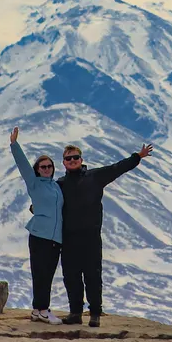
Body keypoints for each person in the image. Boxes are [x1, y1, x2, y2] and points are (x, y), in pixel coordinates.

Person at [58, 140, 153, 327]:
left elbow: (117, 168)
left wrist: (137, 157)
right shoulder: (60, 184)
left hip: (91, 238)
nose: (72, 160)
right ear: (64, 162)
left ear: (81, 159)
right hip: (69, 239)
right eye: (68, 158)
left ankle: (95, 314)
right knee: (71, 276)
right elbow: (48, 202)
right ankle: (75, 313)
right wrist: (35, 208)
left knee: (93, 276)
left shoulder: (95, 176)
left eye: (75, 157)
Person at [9, 126, 63, 323]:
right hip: (40, 235)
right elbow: (23, 165)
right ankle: (41, 309)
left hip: (56, 238)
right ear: (37, 169)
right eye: (43, 167)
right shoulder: (34, 183)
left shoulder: (57, 186)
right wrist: (14, 145)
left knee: (48, 275)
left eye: (49, 166)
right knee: (40, 273)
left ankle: (40, 310)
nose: (47, 169)